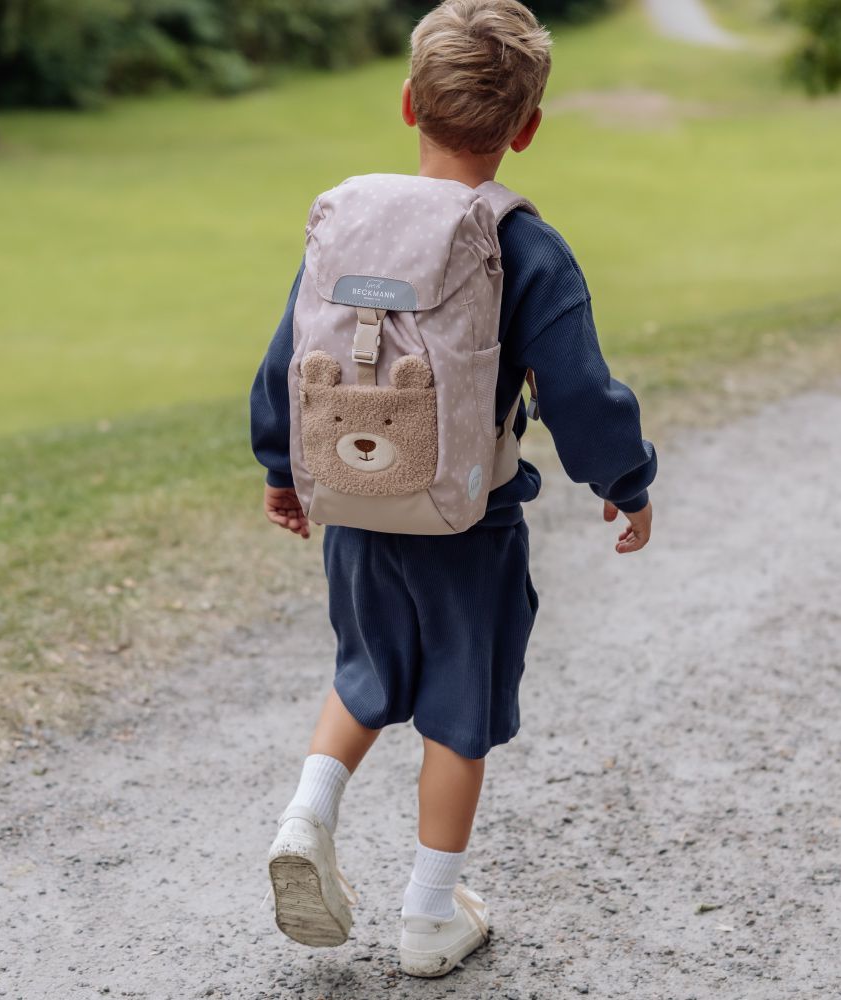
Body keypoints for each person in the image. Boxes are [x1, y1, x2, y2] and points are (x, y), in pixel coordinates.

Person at [249, 0, 657, 978]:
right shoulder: (522, 244)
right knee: (456, 710)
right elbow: (576, 389)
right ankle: (431, 914)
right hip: (469, 520)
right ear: (525, 128)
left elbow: (285, 358)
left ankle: (307, 813)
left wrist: (283, 469)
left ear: (406, 104)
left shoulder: (347, 219)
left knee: (365, 671)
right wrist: (625, 480)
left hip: (355, 501)